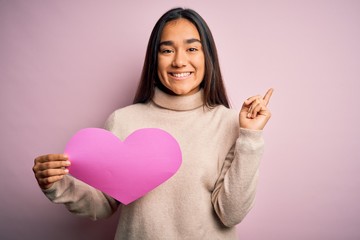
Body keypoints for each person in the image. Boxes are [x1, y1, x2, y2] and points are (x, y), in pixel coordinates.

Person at [33, 7, 273, 240]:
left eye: (192, 48)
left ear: (207, 56)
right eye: (167, 50)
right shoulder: (123, 120)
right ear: (154, 59)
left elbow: (231, 214)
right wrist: (57, 184)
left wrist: (250, 137)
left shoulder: (229, 123)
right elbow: (104, 205)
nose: (179, 61)